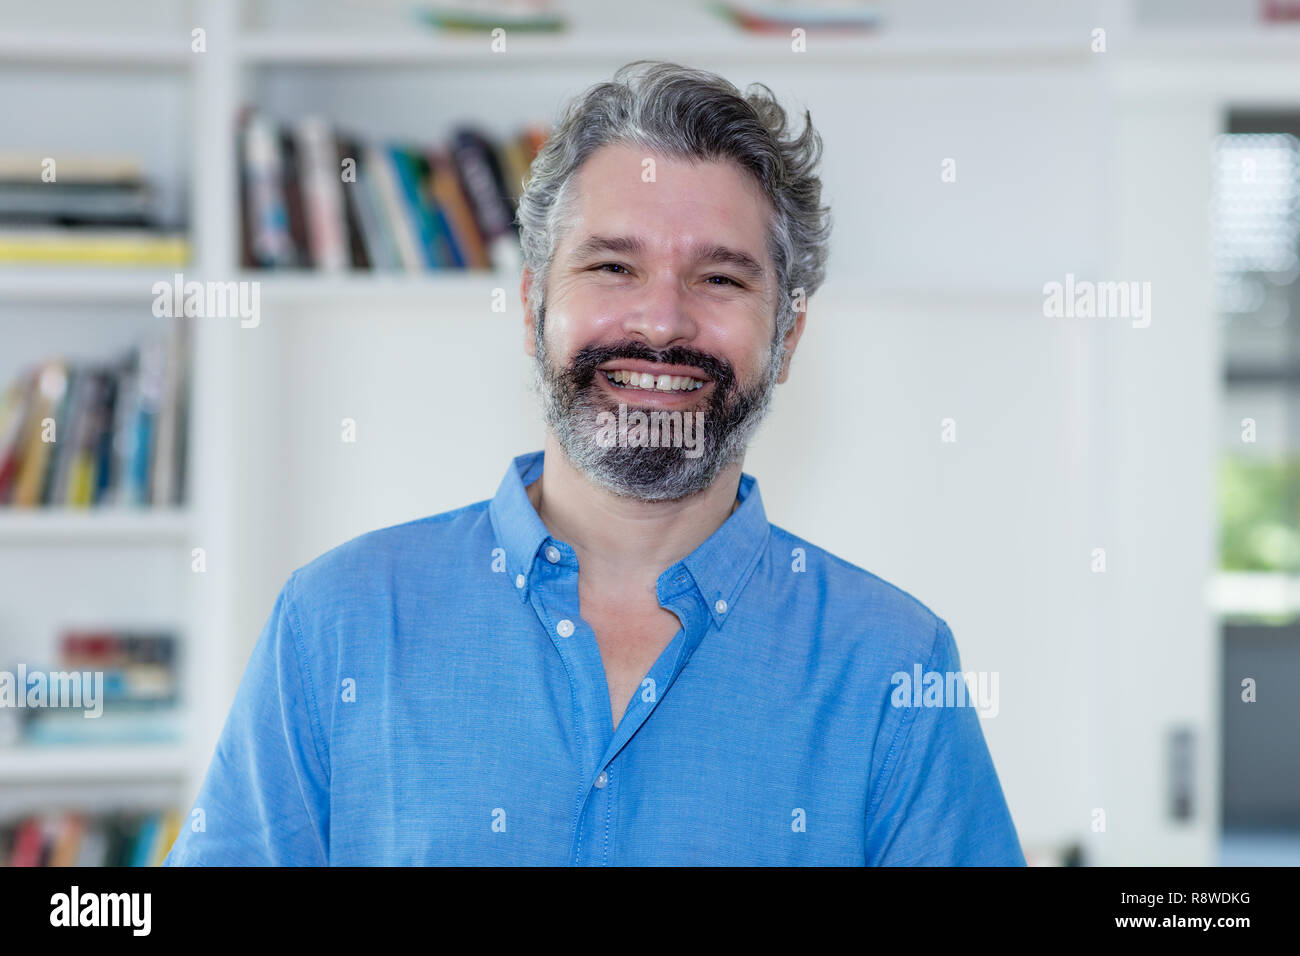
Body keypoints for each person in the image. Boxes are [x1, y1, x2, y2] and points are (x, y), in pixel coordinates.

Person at [165, 60, 1024, 866]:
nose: (662, 322)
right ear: (533, 305)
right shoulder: (334, 624)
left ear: (788, 334)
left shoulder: (895, 667)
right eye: (614, 266)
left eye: (720, 279)